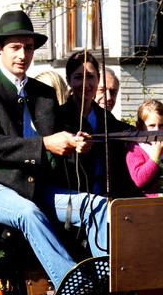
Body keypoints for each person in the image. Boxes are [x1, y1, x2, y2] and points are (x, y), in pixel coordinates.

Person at [0, 10, 107, 288]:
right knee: (28, 213)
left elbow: (57, 142)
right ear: (0, 48)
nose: (22, 55)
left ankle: (108, 284)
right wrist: (45, 144)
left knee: (97, 207)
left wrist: (77, 145)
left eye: (28, 47)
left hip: (34, 185)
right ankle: (73, 289)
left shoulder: (43, 92)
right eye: (14, 47)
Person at [57, 51, 138, 197]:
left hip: (109, 198)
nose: (85, 84)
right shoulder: (59, 117)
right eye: (78, 77)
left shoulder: (106, 119)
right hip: (74, 199)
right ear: (68, 80)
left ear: (98, 79)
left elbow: (139, 135)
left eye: (90, 77)